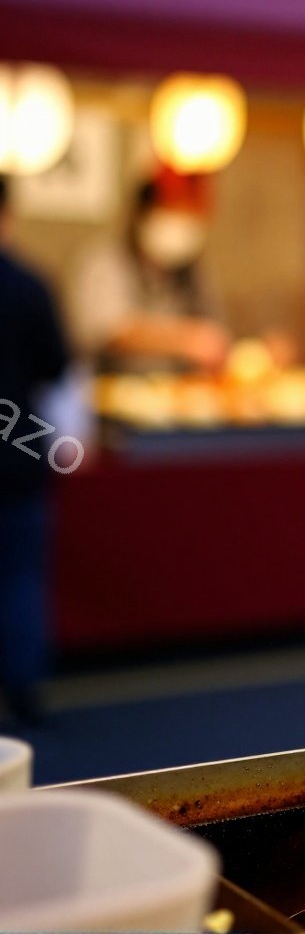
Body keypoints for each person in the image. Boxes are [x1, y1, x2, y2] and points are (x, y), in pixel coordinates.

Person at [0, 177, 71, 724]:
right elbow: (56, 365)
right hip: (19, 449)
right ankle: (25, 694)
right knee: (21, 579)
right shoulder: (29, 285)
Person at [69, 180, 229, 372]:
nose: (182, 227)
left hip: (178, 394)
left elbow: (215, 333)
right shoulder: (106, 261)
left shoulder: (192, 271)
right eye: (174, 214)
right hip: (109, 391)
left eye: (190, 218)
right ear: (143, 215)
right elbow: (112, 332)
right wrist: (185, 340)